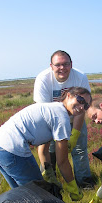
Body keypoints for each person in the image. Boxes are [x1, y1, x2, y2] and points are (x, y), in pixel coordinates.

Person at [0, 87, 92, 201]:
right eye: (80, 100)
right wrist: (72, 185)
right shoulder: (61, 117)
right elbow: (62, 162)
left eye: (86, 106)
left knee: (22, 197)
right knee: (39, 196)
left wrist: (48, 171)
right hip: (12, 150)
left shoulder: (52, 109)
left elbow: (43, 148)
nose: (82, 107)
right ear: (69, 96)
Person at [33, 50, 94, 189]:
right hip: (50, 121)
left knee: (79, 150)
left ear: (71, 64)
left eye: (66, 64)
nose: (62, 68)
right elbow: (43, 112)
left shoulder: (80, 77)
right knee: (51, 150)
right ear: (51, 66)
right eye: (58, 65)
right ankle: (49, 182)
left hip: (75, 117)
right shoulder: (43, 79)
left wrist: (75, 135)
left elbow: (82, 108)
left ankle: (85, 183)